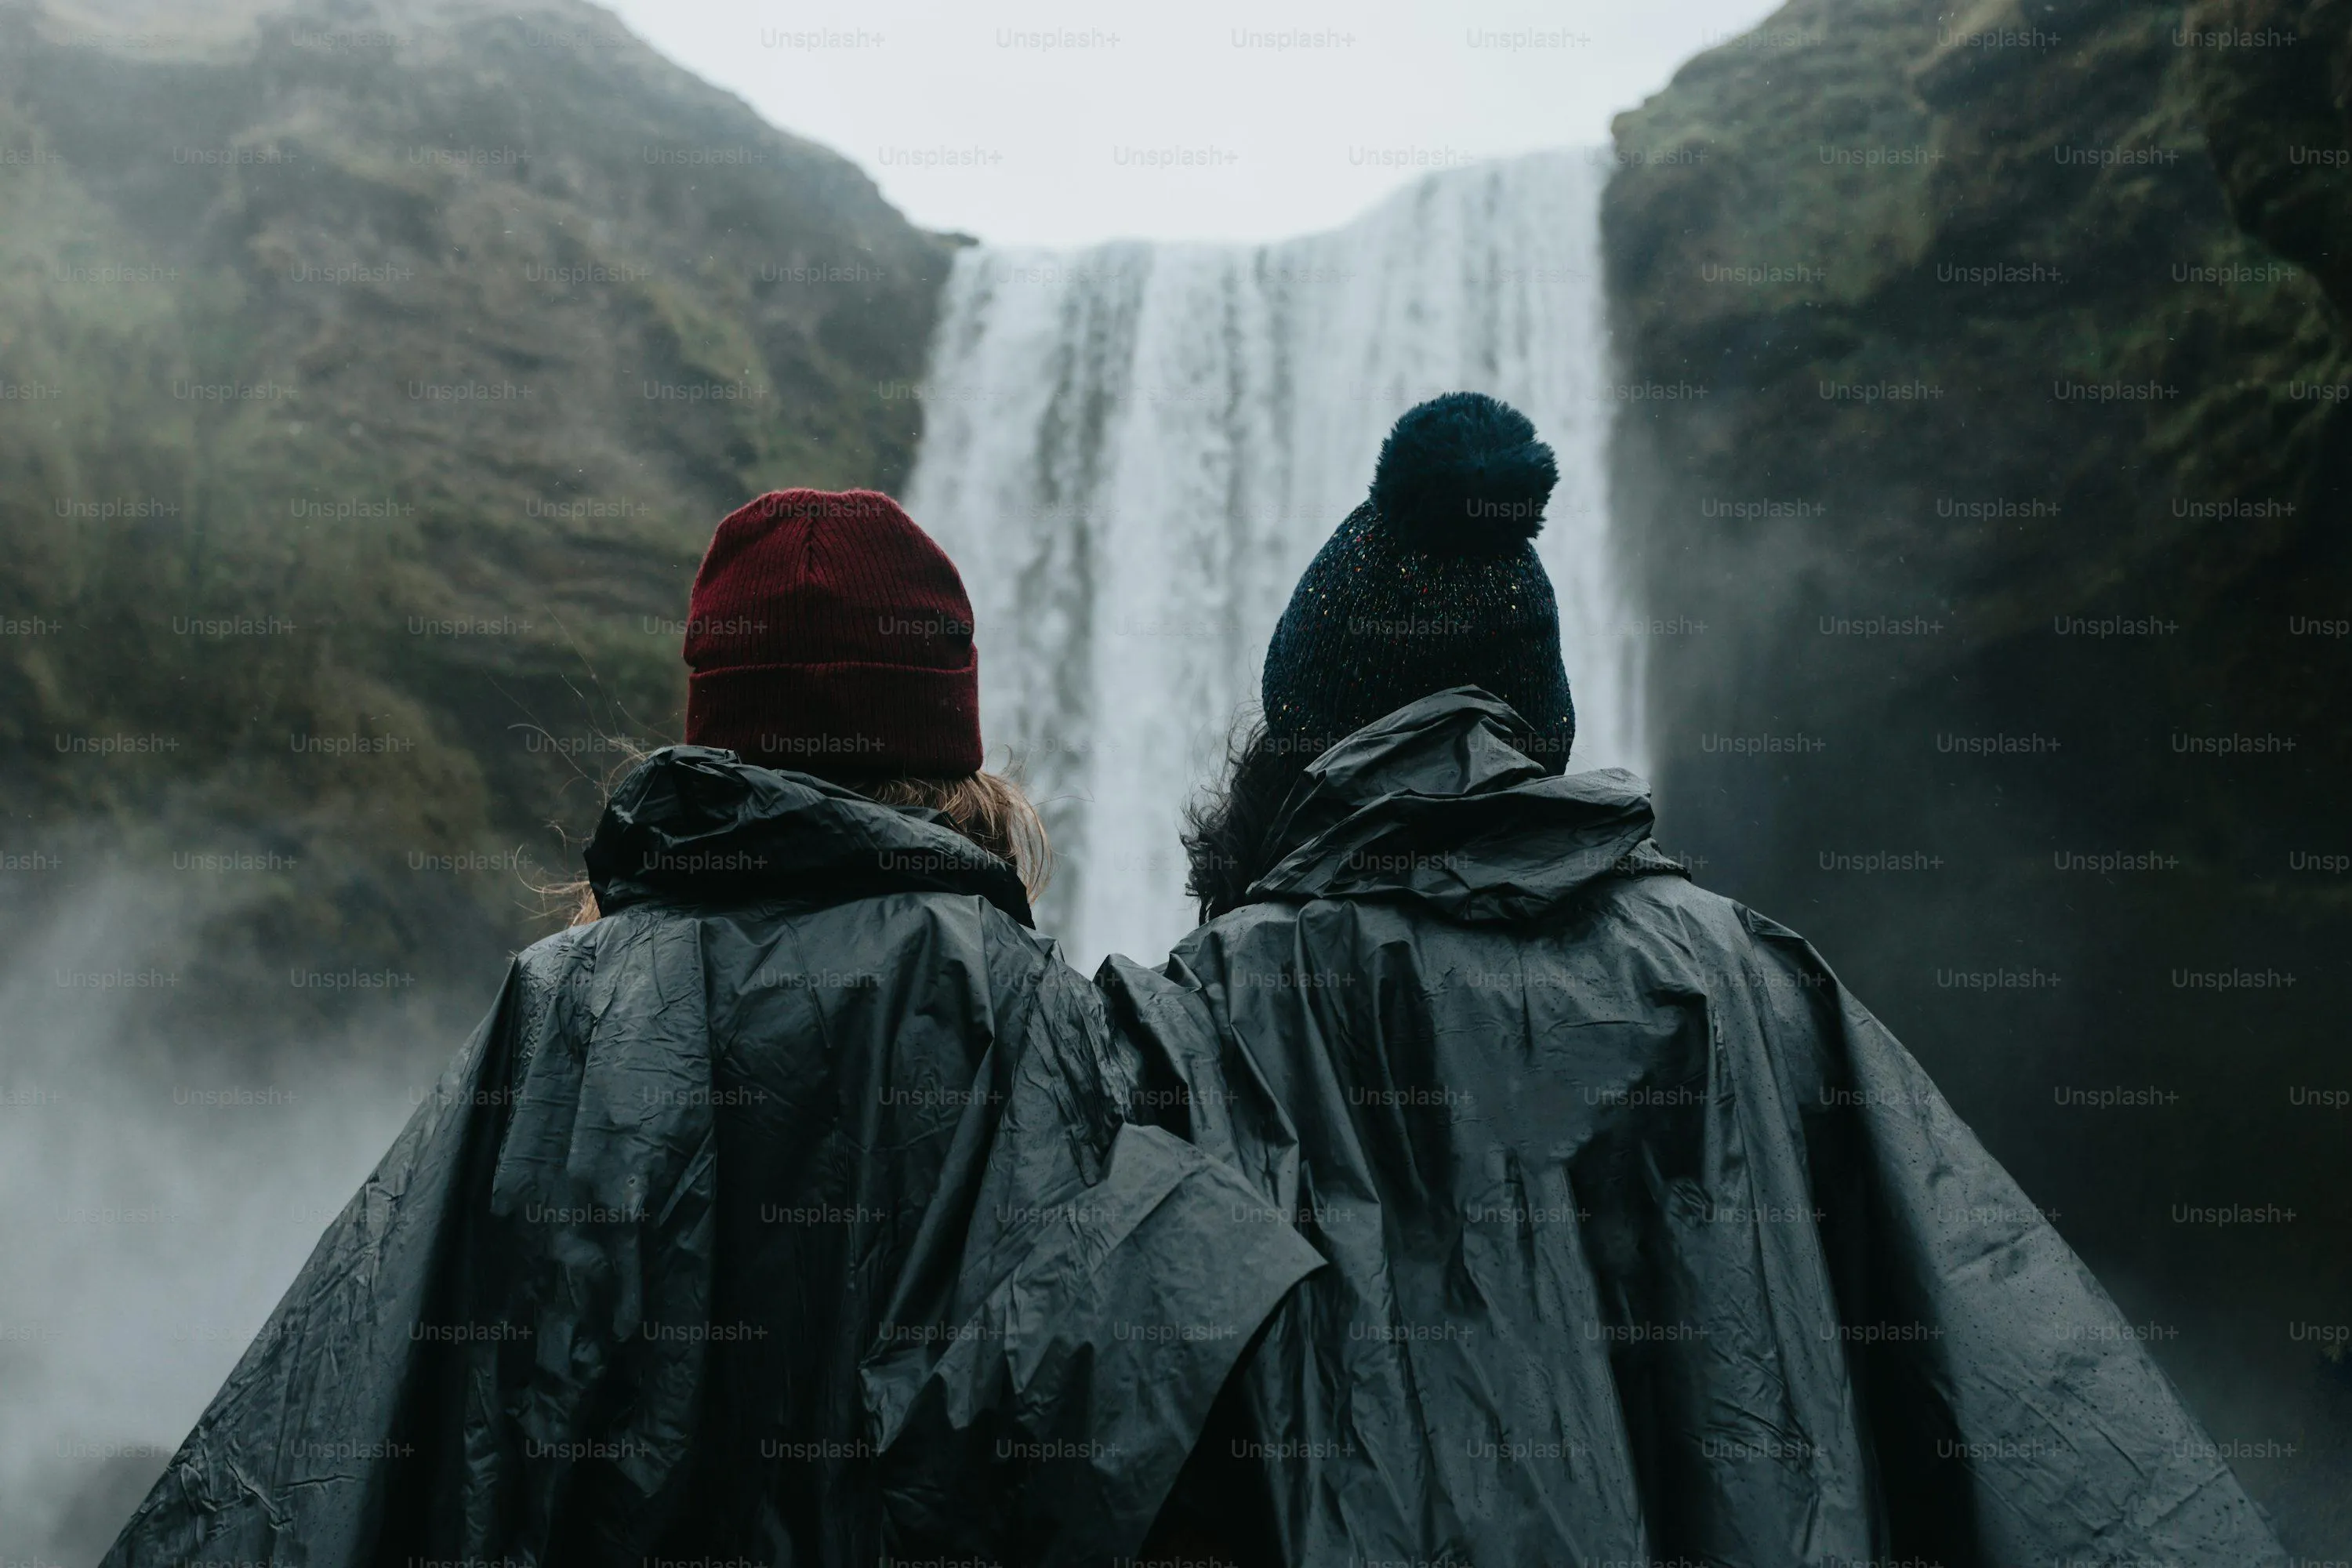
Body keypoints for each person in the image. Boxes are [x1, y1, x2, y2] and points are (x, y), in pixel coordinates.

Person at [1108, 394, 2289, 1566]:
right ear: (1540, 724)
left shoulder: (1204, 1014)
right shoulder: (1755, 977)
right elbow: (2025, 1395)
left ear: (1296, 743)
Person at [104, 488, 1318, 1568]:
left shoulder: (563, 1008)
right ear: (955, 761)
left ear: (710, 744)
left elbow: (370, 1412)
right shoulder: (1066, 1025)